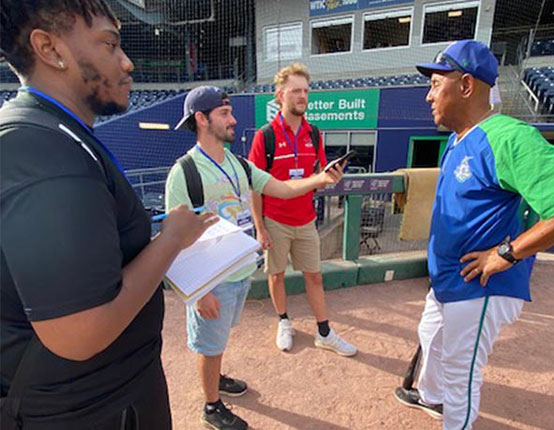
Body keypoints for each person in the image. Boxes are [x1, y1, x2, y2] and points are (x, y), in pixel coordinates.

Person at [0, 1, 218, 429]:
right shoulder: (43, 152)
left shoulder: (55, 133)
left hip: (105, 398)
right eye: (110, 44)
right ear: (49, 48)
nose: (127, 61)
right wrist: (171, 238)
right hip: (84, 410)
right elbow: (80, 332)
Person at [393, 40, 554, 429]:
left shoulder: (507, 135)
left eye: (437, 84)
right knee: (431, 337)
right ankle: (431, 397)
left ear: (466, 86)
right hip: (449, 280)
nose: (428, 95)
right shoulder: (457, 139)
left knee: (461, 369)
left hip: (481, 284)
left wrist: (506, 253)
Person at [165, 85, 344, 430]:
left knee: (218, 341)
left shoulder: (239, 164)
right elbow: (173, 240)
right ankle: (211, 406)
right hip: (211, 280)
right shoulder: (184, 172)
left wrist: (322, 177)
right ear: (202, 120)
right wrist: (199, 292)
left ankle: (216, 377)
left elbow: (282, 188)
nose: (233, 120)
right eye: (224, 114)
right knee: (209, 344)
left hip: (239, 271)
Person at [248, 63, 358, 356]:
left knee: (315, 276)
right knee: (277, 275)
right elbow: (255, 187)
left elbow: (317, 178)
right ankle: (284, 321)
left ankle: (324, 332)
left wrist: (330, 176)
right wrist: (260, 228)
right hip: (275, 220)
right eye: (296, 90)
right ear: (280, 95)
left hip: (306, 220)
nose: (302, 96)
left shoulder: (314, 133)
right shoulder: (265, 136)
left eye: (306, 91)